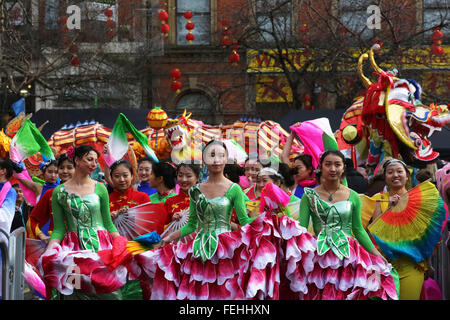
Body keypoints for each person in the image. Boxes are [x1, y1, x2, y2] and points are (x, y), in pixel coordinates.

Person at [299, 150, 398, 300]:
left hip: (348, 256)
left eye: (337, 164)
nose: (333, 169)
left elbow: (358, 230)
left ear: (343, 168)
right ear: (320, 167)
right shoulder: (308, 195)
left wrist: (376, 254)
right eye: (328, 164)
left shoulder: (353, 196)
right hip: (319, 254)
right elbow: (302, 229)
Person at [38, 145, 134, 300]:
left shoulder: (100, 188)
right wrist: (49, 251)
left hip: (101, 248)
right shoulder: (59, 192)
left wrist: (121, 243)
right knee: (74, 293)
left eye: (96, 161)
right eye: (89, 159)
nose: (94, 165)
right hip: (72, 252)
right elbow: (59, 229)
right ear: (76, 160)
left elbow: (108, 224)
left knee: (110, 292)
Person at [368, 159, 445, 300]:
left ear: (407, 175)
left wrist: (428, 264)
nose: (395, 175)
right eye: (390, 172)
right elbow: (376, 232)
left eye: (399, 171)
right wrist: (391, 209)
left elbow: (425, 235)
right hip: (386, 265)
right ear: (385, 177)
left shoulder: (418, 200)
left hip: (412, 265)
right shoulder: (379, 200)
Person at [26, 153, 75, 242]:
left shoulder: (91, 191)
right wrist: (41, 235)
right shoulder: (50, 193)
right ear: (43, 173)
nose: (65, 171)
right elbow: (33, 219)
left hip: (83, 242)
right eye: (61, 168)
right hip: (55, 242)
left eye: (69, 167)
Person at [162, 162, 200, 244]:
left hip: (199, 245)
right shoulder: (170, 201)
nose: (184, 179)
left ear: (198, 177)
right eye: (180, 175)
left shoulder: (203, 199)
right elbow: (162, 230)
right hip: (175, 247)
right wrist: (173, 221)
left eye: (189, 176)